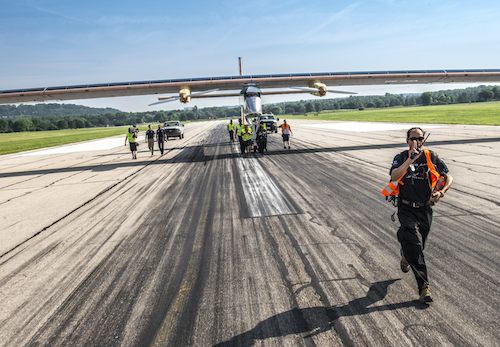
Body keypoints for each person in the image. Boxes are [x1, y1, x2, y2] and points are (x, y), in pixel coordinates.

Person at [388, 127, 453, 303]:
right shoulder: (401, 157)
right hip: (406, 208)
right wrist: (409, 160)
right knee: (414, 244)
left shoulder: (431, 156)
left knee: (418, 246)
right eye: (413, 138)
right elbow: (394, 176)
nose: (417, 141)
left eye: (420, 138)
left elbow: (448, 176)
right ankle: (424, 287)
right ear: (407, 140)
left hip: (425, 209)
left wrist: (442, 192)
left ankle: (405, 253)